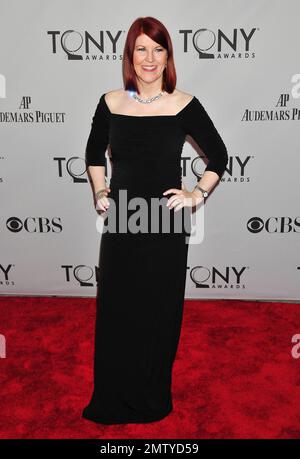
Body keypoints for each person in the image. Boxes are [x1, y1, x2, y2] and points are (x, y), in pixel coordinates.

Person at [82, 16, 228, 425]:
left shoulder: (183, 104)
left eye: (158, 49)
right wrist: (99, 191)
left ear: (168, 56)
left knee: (159, 310)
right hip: (124, 218)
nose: (149, 58)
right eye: (141, 48)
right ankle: (112, 395)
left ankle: (151, 395)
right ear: (130, 54)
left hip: (164, 222)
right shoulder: (110, 102)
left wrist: (196, 194)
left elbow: (219, 157)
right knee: (117, 309)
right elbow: (93, 155)